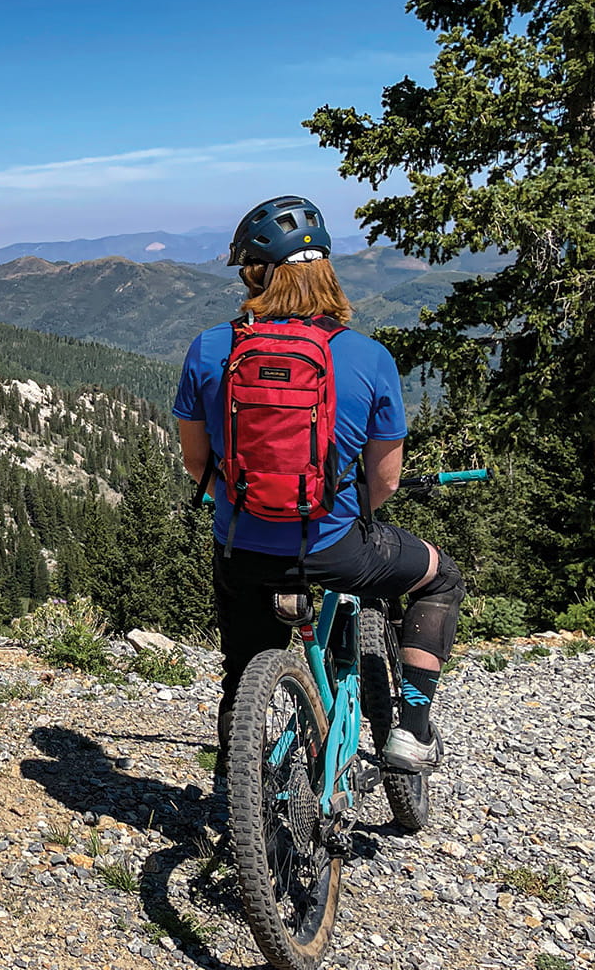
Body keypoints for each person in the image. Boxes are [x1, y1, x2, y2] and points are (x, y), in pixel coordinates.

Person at [172, 195, 464, 775]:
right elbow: (385, 481)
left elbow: (195, 463)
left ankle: (240, 782)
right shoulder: (367, 355)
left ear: (256, 273)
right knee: (441, 577)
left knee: (243, 668)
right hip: (335, 548)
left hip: (242, 546)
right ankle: (411, 728)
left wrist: (242, 502)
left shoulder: (210, 348)